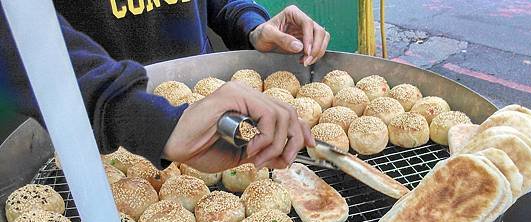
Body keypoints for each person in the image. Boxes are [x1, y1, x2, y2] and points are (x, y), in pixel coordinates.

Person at [0, 2, 331, 171]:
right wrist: (143, 119)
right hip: (109, 138)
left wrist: (249, 24)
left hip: (213, 116)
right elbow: (14, 30)